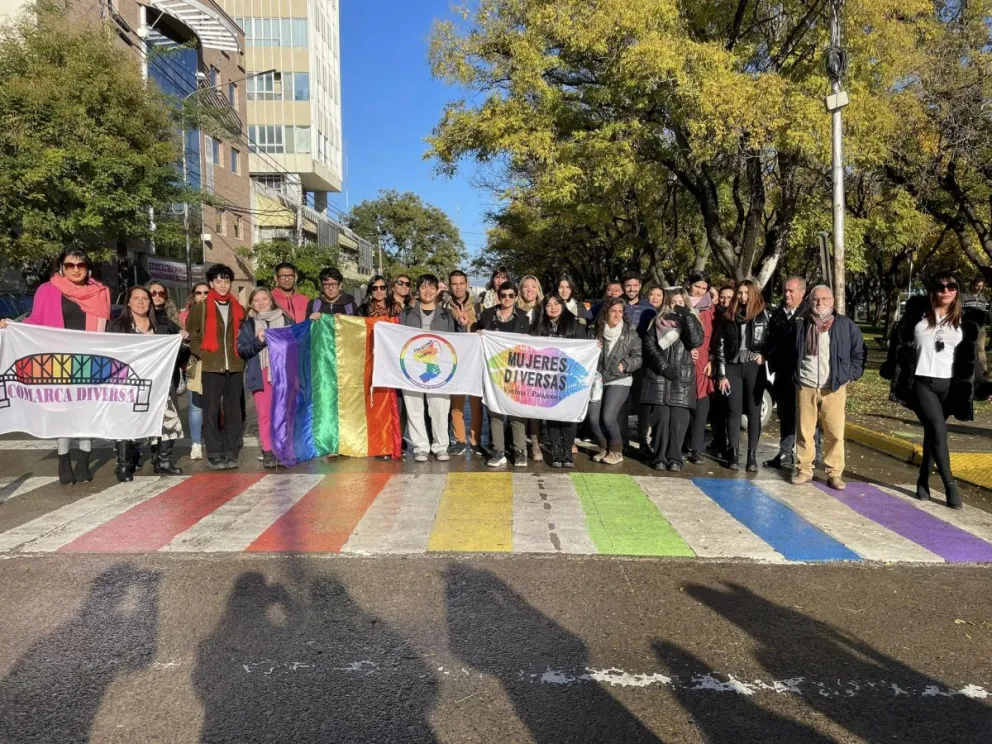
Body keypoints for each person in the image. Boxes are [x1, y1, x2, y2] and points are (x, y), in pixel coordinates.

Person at [882, 273, 992, 509]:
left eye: (951, 287)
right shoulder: (917, 318)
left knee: (932, 434)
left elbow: (971, 358)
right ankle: (950, 486)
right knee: (939, 432)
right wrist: (891, 368)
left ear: (957, 291)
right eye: (940, 287)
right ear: (932, 291)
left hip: (950, 386)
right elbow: (899, 347)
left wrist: (983, 386)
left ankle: (923, 480)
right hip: (921, 383)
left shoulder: (964, 322)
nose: (946, 291)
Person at [9, 248, 111, 485]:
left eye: (80, 265)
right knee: (61, 411)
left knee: (86, 412)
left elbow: (108, 328)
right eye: (69, 265)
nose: (75, 270)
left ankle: (84, 460)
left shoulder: (101, 292)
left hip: (89, 360)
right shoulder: (48, 289)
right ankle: (64, 460)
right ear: (62, 268)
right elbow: (35, 320)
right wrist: (12, 326)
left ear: (88, 268)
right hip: (58, 361)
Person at [790, 286, 865, 490]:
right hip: (806, 384)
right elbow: (788, 351)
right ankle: (804, 470)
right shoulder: (800, 323)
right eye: (816, 299)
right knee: (805, 432)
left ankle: (834, 473)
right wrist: (794, 375)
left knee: (834, 432)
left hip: (834, 387)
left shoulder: (845, 325)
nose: (820, 303)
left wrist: (849, 375)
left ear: (832, 300)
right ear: (809, 301)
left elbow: (859, 353)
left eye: (824, 299)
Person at [107, 286, 184, 480]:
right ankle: (124, 465)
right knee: (126, 421)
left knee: (167, 419)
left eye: (145, 298)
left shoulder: (161, 326)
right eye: (136, 298)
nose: (141, 302)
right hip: (129, 383)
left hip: (159, 382)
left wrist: (182, 337)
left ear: (150, 303)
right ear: (128, 302)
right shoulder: (117, 326)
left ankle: (163, 461)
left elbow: (176, 348)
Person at [186, 263, 246, 470]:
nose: (222, 285)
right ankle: (214, 452)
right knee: (210, 411)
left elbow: (243, 335)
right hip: (211, 366)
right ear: (211, 283)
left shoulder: (238, 308)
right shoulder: (201, 307)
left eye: (226, 281)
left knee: (234, 411)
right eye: (218, 281)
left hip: (235, 365)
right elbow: (192, 335)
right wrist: (204, 353)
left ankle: (230, 451)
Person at [640, 289, 704, 471]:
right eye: (673, 302)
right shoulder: (657, 321)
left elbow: (695, 342)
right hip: (659, 376)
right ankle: (659, 456)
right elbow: (649, 346)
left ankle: (675, 457)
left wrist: (687, 316)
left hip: (682, 378)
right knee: (661, 417)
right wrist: (663, 367)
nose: (676, 306)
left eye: (680, 302)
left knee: (678, 419)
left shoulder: (692, 321)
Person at [399, 275, 459, 462]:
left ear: (437, 290)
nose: (428, 291)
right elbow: (398, 339)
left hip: (438, 370)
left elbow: (455, 342)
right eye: (423, 287)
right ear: (417, 290)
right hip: (412, 369)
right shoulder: (407, 314)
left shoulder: (446, 315)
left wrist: (463, 325)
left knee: (440, 408)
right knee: (414, 407)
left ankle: (441, 446)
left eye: (432, 287)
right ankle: (421, 447)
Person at [715, 279, 770, 472]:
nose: (743, 296)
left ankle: (752, 456)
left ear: (753, 293)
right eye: (740, 292)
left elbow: (773, 339)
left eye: (746, 293)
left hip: (754, 366)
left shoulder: (764, 314)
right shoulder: (729, 315)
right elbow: (720, 345)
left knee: (754, 411)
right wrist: (722, 374)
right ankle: (733, 453)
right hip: (733, 366)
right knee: (733, 411)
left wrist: (765, 354)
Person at [238, 287, 293, 468]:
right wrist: (258, 341)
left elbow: (296, 344)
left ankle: (282, 449)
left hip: (282, 372)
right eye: (256, 300)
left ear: (271, 301)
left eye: (264, 299)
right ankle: (268, 450)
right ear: (251, 304)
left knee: (283, 412)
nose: (261, 303)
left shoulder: (286, 320)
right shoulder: (248, 324)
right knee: (264, 414)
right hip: (261, 372)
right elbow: (243, 350)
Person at [478, 281, 531, 467]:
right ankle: (498, 451)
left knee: (516, 413)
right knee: (495, 412)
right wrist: (479, 334)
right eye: (503, 295)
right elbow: (478, 341)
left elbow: (533, 344)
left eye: (511, 295)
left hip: (516, 372)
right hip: (493, 371)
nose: (507, 298)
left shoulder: (524, 318)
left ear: (516, 297)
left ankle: (520, 451)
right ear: (498, 296)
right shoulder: (487, 315)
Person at [532, 293, 587, 467]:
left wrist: (594, 347)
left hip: (569, 378)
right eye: (548, 305)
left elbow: (585, 348)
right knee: (552, 415)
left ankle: (567, 449)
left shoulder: (574, 325)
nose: (553, 307)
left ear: (562, 305)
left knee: (569, 414)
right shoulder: (538, 326)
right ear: (544, 308)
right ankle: (556, 449)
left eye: (556, 303)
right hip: (547, 380)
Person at [589, 297, 642, 465]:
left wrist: (625, 364)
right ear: (606, 312)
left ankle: (617, 451)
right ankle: (604, 448)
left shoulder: (631, 334)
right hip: (598, 378)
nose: (617, 315)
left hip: (620, 378)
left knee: (608, 417)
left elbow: (639, 357)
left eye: (620, 311)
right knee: (593, 418)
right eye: (613, 311)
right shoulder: (595, 332)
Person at [764, 276, 808, 470]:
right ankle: (785, 453)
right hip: (782, 373)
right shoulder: (777, 314)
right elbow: (770, 340)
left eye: (791, 291)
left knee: (806, 417)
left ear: (802, 293)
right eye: (785, 290)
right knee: (785, 414)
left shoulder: (808, 314)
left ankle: (810, 456)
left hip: (804, 375)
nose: (787, 294)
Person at [445, 270, 483, 455]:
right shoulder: (444, 306)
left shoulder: (478, 305)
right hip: (456, 362)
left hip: (475, 361)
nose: (458, 287)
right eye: (454, 284)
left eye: (461, 283)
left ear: (467, 284)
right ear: (449, 285)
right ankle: (459, 440)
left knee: (476, 404)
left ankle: (476, 442)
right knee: (457, 404)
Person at [685, 272, 716, 464]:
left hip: (704, 363)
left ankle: (696, 449)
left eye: (704, 288)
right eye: (697, 286)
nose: (700, 291)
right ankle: (680, 444)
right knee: (682, 408)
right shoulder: (680, 302)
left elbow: (717, 336)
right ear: (689, 284)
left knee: (701, 407)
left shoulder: (710, 308)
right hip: (682, 360)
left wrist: (712, 359)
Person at [707, 284, 737, 460]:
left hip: (732, 367)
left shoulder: (737, 315)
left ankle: (728, 444)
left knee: (729, 407)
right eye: (723, 297)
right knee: (717, 407)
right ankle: (719, 441)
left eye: (729, 298)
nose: (725, 300)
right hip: (716, 364)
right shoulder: (716, 314)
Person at [180, 282, 210, 460]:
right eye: (199, 293)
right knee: (196, 405)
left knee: (215, 404)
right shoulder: (184, 316)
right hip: (194, 362)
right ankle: (196, 443)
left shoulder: (218, 312)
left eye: (206, 292)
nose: (203, 295)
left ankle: (214, 440)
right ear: (193, 295)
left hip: (216, 363)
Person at [516, 275, 545, 459]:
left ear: (538, 289)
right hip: (519, 362)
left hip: (539, 362)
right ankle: (518, 442)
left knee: (535, 403)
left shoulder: (545, 308)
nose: (529, 290)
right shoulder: (514, 309)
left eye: (533, 286)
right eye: (525, 286)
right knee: (519, 401)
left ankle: (535, 441)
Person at [963, 275, 989, 376]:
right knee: (967, 348)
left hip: (980, 328)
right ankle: (967, 370)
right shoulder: (964, 297)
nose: (979, 288)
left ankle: (984, 370)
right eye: (978, 286)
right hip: (968, 328)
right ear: (972, 285)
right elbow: (960, 312)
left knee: (981, 348)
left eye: (981, 286)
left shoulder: (984, 298)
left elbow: (984, 313)